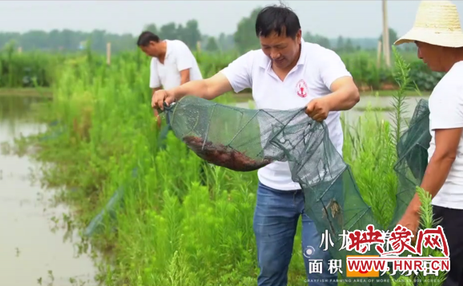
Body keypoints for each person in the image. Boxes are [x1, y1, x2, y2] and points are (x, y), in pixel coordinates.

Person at [151, 4, 360, 286]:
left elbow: (350, 93)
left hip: (322, 187)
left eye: (280, 46)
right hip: (273, 189)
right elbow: (208, 87)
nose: (274, 55)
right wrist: (172, 92)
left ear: (298, 36)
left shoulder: (322, 59)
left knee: (321, 275)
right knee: (270, 273)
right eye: (266, 47)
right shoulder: (254, 63)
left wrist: (327, 102)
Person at [394, 1, 463, 285]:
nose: (419, 54)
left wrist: (413, 213)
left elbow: (444, 154)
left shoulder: (451, 86)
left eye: (421, 44)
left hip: (454, 209)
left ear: (440, 43)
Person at [137, 31, 203, 127]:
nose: (147, 54)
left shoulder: (177, 48)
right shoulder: (154, 62)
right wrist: (157, 116)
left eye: (146, 51)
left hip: (194, 101)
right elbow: (156, 89)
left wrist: (180, 106)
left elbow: (185, 78)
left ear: (152, 44)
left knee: (198, 136)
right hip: (173, 107)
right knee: (173, 137)